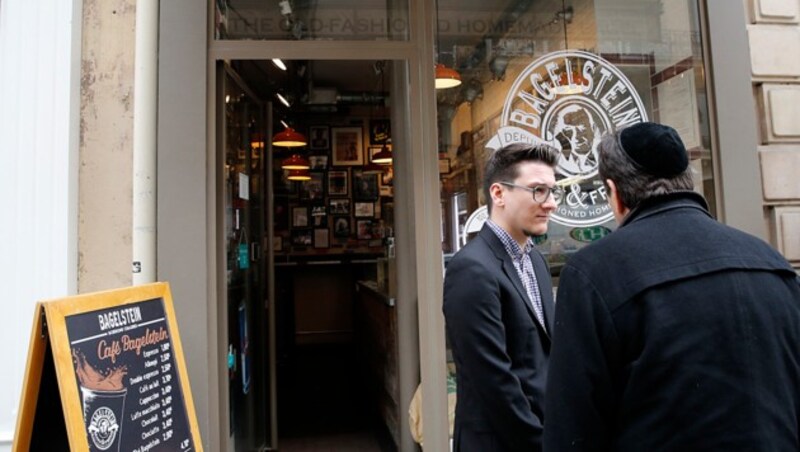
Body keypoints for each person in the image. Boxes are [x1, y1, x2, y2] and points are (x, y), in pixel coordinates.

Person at [544, 122, 800, 451]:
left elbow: (573, 428)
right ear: (686, 180)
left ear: (616, 193)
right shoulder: (769, 261)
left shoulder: (594, 272)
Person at [443, 142, 562, 451]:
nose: (550, 204)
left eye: (553, 191)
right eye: (538, 190)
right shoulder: (471, 268)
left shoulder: (535, 259)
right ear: (498, 194)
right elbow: (493, 382)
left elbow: (542, 358)